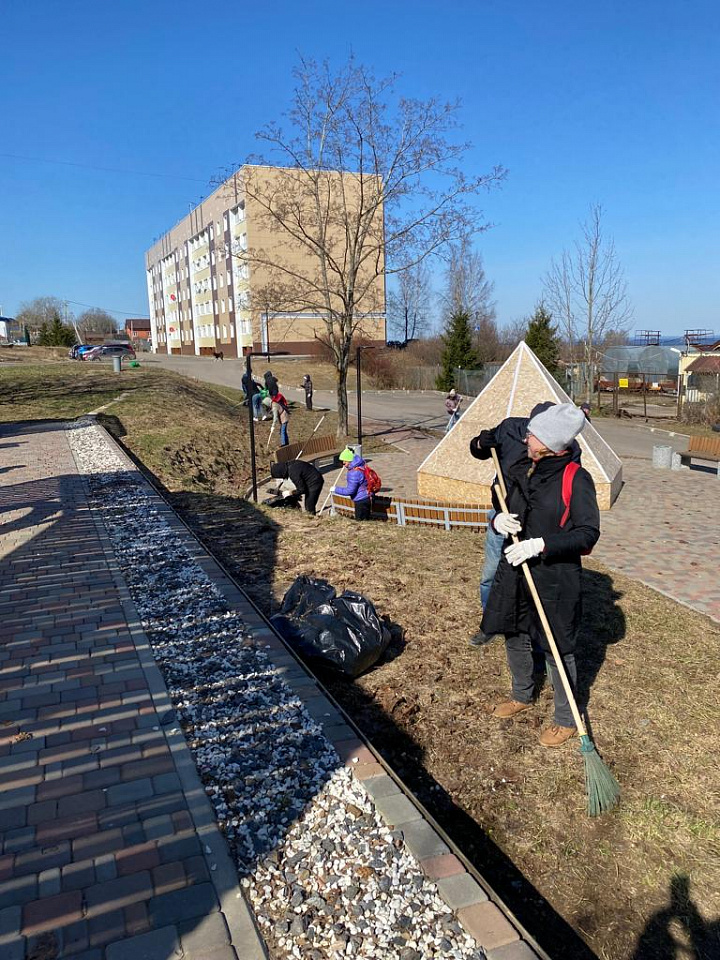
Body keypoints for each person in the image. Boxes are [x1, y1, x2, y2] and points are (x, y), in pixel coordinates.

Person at [480, 403, 600, 747]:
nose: (526, 436)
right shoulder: (524, 466)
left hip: (555, 578)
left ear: (549, 442)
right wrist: (496, 520)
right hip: (515, 569)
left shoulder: (576, 478)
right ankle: (521, 693)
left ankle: (565, 718)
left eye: (532, 433)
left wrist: (539, 546)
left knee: (557, 647)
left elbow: (588, 533)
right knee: (515, 630)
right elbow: (500, 494)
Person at [468, 402, 582, 647]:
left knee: (527, 583)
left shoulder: (565, 446)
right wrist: (480, 443)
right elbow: (478, 450)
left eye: (536, 435)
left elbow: (567, 487)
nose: (528, 439)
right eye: (529, 432)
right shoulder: (510, 429)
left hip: (535, 524)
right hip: (503, 515)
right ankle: (491, 621)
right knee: (491, 575)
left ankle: (533, 632)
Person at [334, 448, 372, 521]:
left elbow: (350, 491)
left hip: (360, 500)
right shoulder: (361, 465)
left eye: (344, 462)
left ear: (349, 460)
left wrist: (335, 489)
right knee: (366, 521)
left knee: (361, 522)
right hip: (367, 496)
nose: (344, 464)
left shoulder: (354, 473)